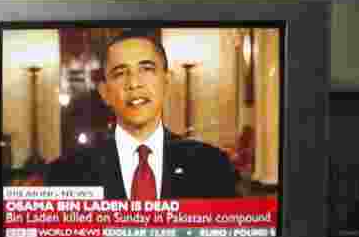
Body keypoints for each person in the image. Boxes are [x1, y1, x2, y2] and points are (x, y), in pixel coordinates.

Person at [47, 31, 239, 200]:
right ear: (105, 92)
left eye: (146, 69)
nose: (134, 83)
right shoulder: (66, 173)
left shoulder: (212, 165)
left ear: (166, 81)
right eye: (120, 73)